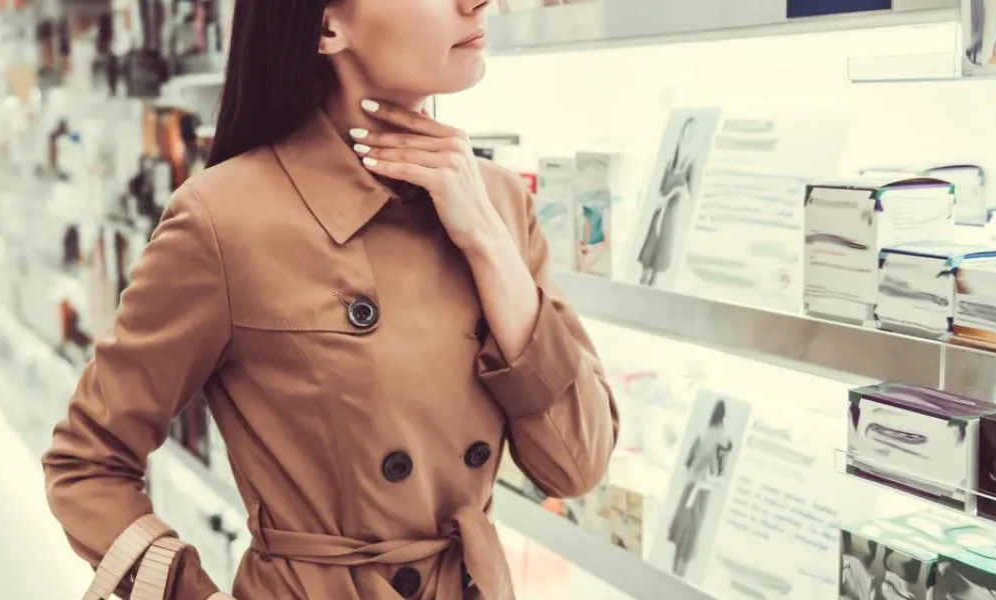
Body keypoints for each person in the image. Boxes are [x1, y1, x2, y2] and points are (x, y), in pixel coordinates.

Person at [40, 2, 619, 600]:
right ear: (326, 26)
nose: (477, 2)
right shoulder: (225, 218)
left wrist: (488, 243)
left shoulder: (499, 202)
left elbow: (576, 466)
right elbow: (86, 462)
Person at [666, 398, 733, 578]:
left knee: (682, 528)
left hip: (691, 487)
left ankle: (676, 571)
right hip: (704, 491)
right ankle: (680, 572)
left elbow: (687, 463)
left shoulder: (703, 434)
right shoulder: (726, 439)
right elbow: (721, 471)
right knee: (693, 530)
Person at [636, 117, 698, 286]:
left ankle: (652, 282)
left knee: (663, 250)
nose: (685, 139)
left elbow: (690, 195)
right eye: (684, 135)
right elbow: (658, 190)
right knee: (650, 247)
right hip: (661, 209)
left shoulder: (690, 164)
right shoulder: (670, 163)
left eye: (689, 135)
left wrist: (677, 191)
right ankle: (643, 279)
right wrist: (666, 195)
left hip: (672, 213)